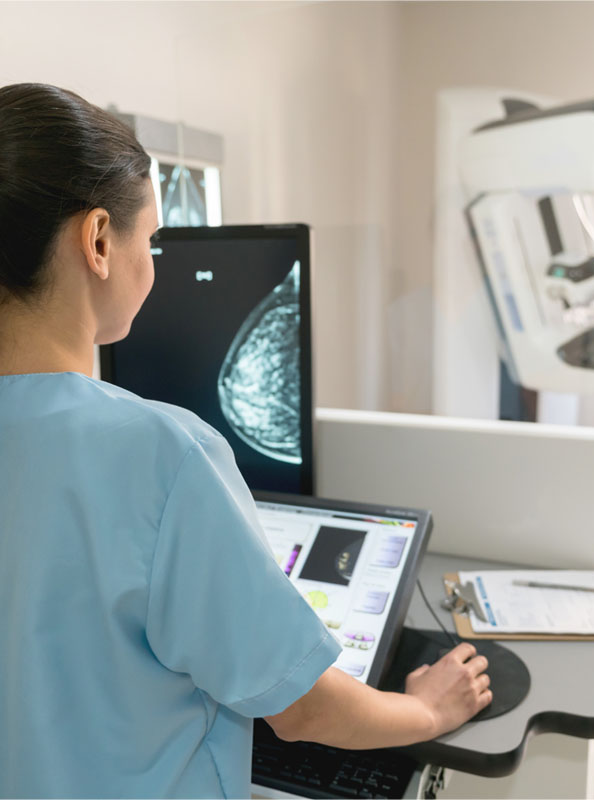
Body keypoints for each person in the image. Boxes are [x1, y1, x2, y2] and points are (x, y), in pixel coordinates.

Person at [0, 83, 492, 798]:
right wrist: (426, 707)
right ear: (100, 241)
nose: (155, 262)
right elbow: (301, 707)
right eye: (153, 239)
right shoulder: (161, 456)